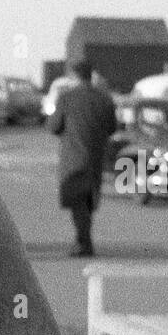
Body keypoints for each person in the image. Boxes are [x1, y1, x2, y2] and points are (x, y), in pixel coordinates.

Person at [49, 58, 118, 257]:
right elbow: (112, 127)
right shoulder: (105, 99)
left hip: (73, 157)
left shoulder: (67, 98)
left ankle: (84, 243)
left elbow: (54, 126)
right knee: (87, 202)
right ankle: (84, 241)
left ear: (74, 76)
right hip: (95, 158)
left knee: (78, 203)